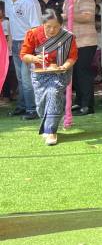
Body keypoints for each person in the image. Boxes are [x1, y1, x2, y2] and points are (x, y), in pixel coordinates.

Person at [19, 9, 78, 145]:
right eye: (48, 27)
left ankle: (51, 131)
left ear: (61, 25)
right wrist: (35, 58)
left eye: (56, 27)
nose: (52, 30)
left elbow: (72, 56)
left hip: (59, 73)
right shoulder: (33, 34)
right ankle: (47, 123)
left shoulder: (68, 37)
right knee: (41, 104)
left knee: (53, 93)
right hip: (39, 74)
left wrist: (64, 66)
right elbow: (24, 55)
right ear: (43, 24)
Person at [2, 0, 42, 119]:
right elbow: (10, 21)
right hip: (15, 42)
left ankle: (32, 109)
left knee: (27, 79)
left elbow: (36, 28)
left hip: (28, 44)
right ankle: (22, 106)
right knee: (20, 78)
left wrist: (30, 48)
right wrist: (10, 41)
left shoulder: (30, 2)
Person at [69, 0, 98, 115]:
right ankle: (79, 102)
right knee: (75, 73)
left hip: (86, 42)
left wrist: (68, 16)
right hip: (73, 42)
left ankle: (88, 105)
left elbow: (87, 16)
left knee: (83, 73)